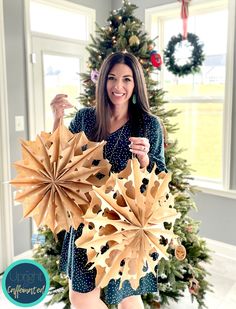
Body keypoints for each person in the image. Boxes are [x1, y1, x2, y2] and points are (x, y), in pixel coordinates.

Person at [51, 51, 166, 309]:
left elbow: (160, 178)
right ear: (103, 81)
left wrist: (146, 160)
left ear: (135, 83)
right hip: (85, 220)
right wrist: (58, 118)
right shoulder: (85, 118)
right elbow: (60, 158)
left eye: (127, 79)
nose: (118, 86)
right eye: (112, 78)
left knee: (127, 296)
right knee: (81, 297)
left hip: (125, 225)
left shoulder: (149, 125)